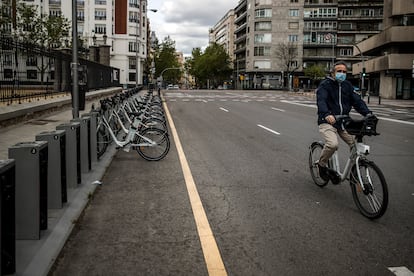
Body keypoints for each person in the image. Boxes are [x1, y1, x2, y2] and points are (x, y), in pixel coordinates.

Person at [316, 61, 372, 182]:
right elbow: (321, 101)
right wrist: (326, 114)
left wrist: (368, 113)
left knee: (355, 145)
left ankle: (354, 169)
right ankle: (321, 165)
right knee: (332, 144)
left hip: (343, 122)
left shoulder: (347, 86)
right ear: (333, 73)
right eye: (339, 71)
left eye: (344, 72)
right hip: (327, 121)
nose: (342, 73)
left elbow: (357, 101)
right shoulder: (325, 85)